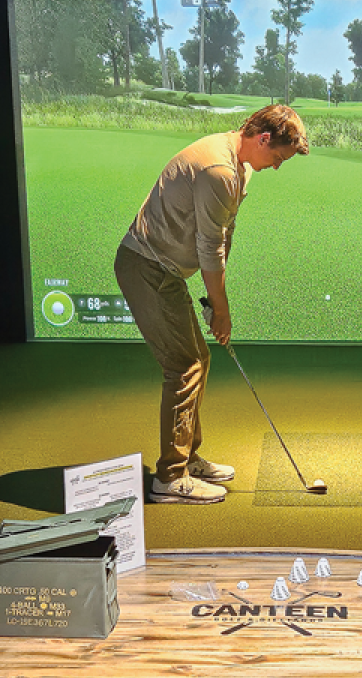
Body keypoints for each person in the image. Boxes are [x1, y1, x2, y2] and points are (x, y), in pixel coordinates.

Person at [116, 105, 309, 504]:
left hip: (164, 270)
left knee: (197, 358)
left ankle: (185, 456)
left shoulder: (241, 166)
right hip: (147, 267)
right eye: (277, 158)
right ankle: (170, 479)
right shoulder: (218, 170)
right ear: (263, 139)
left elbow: (224, 232)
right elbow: (210, 248)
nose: (275, 167)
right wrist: (221, 310)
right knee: (183, 365)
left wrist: (212, 298)